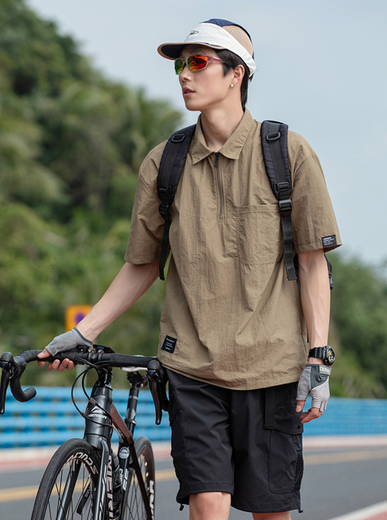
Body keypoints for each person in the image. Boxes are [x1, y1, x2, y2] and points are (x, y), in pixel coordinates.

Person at [38, 19, 341, 520]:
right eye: (181, 64)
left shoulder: (288, 154)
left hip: (272, 365)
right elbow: (141, 264)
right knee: (207, 501)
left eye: (199, 62)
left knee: (270, 512)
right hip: (193, 366)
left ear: (237, 74)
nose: (184, 74)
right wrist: (83, 331)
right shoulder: (165, 163)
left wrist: (319, 358)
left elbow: (312, 263)